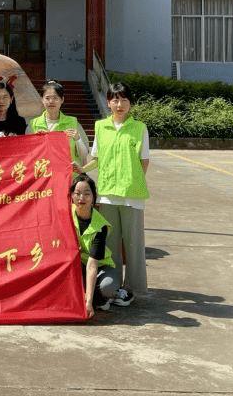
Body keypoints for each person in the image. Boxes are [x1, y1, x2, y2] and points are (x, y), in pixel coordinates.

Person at [81, 81, 149, 306]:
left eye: (124, 100)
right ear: (108, 102)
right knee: (110, 245)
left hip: (132, 195)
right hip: (108, 194)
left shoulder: (139, 128)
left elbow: (144, 161)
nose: (119, 105)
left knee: (133, 244)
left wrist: (132, 181)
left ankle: (132, 288)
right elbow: (96, 158)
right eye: (115, 100)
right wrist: (82, 169)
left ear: (130, 103)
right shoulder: (101, 127)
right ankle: (113, 287)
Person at [69, 173, 119, 315]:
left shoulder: (100, 226)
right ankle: (94, 297)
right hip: (77, 265)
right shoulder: (66, 213)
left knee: (107, 287)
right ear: (71, 196)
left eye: (87, 194)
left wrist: (88, 302)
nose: (81, 198)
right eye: (77, 193)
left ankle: (107, 296)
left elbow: (92, 265)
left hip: (100, 266)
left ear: (93, 197)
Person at [28, 80, 90, 169]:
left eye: (55, 98)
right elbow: (28, 155)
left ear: (62, 100)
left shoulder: (73, 122)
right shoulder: (33, 124)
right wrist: (37, 141)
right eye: (47, 98)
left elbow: (84, 155)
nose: (51, 101)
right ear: (42, 99)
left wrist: (77, 139)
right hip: (43, 174)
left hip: (69, 174)